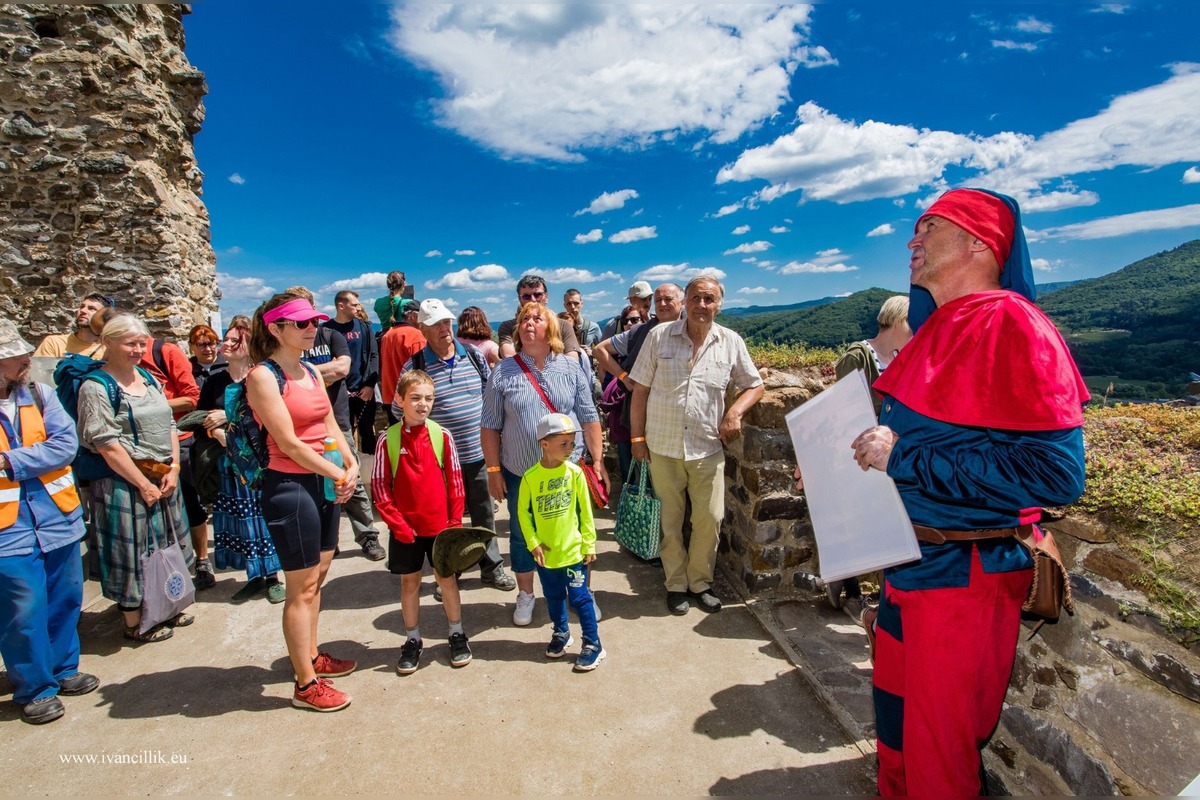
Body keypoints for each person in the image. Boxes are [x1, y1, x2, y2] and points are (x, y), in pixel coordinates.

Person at [795, 188, 1088, 796]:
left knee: (938, 762)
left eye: (930, 227)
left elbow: (1056, 475)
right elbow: (903, 444)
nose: (913, 240)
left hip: (965, 578)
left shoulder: (1014, 325)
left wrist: (906, 455)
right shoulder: (938, 329)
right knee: (899, 742)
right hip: (912, 570)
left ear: (981, 242)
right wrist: (835, 466)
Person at [247, 292, 360, 713]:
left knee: (321, 573)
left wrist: (349, 463)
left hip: (325, 482)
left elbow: (328, 421)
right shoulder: (263, 376)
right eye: (301, 323)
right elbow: (289, 443)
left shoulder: (311, 370)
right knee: (301, 586)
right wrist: (338, 474)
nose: (312, 327)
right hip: (291, 489)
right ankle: (305, 684)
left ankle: (311, 655)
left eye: (313, 321)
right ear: (275, 329)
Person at [629, 276, 763, 616]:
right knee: (670, 521)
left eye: (709, 299)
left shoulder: (730, 341)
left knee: (710, 518)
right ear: (685, 301)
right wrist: (637, 438)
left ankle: (700, 582)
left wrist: (734, 412)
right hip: (663, 445)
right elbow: (640, 390)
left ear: (718, 304)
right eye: (696, 298)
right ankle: (675, 584)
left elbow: (754, 385)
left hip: (707, 447)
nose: (702, 305)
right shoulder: (659, 336)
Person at [481, 302, 607, 626]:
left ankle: (581, 591)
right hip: (521, 473)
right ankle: (526, 594)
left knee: (574, 529)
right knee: (524, 535)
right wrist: (493, 471)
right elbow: (490, 425)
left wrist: (598, 460)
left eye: (537, 318)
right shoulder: (503, 372)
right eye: (524, 318)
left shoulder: (570, 368)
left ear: (550, 329)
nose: (529, 323)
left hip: (568, 469)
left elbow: (589, 415)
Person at [0, 319, 99, 724]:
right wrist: (33, 459)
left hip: (57, 518)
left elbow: (65, 446)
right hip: (9, 530)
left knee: (65, 598)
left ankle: (63, 669)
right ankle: (35, 687)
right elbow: (52, 450)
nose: (27, 357)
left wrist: (9, 462)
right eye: (15, 353)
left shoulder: (40, 394)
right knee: (22, 611)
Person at [76, 314, 195, 643]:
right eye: (130, 343)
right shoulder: (96, 387)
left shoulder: (147, 378)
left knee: (167, 542)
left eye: (141, 343)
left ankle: (168, 603)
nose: (138, 349)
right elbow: (107, 445)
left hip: (161, 476)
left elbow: (169, 423)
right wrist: (142, 484)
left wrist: (173, 468)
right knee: (131, 551)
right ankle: (135, 621)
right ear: (108, 343)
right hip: (123, 483)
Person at [396, 299, 516, 592]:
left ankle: (492, 568)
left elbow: (491, 398)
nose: (444, 329)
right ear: (422, 329)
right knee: (445, 519)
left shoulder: (473, 356)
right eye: (436, 324)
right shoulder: (416, 365)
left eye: (447, 322)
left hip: (477, 454)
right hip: (438, 460)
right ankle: (448, 573)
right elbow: (399, 409)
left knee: (484, 513)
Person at [372, 370, 472, 674]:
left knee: (447, 581)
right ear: (400, 400)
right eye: (415, 397)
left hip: (441, 527)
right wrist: (398, 525)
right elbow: (379, 487)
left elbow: (455, 482)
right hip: (405, 531)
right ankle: (413, 639)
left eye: (429, 398)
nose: (423, 404)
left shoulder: (442, 436)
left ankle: (456, 633)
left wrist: (454, 521)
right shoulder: (386, 440)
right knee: (409, 583)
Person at [823, 294, 913, 610]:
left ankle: (871, 592)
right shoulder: (859, 356)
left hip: (891, 453)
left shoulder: (906, 356)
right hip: (859, 450)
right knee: (856, 520)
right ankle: (848, 584)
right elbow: (844, 406)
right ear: (899, 319)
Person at [285, 286, 385, 562]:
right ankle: (325, 538)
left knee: (348, 478)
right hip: (297, 425)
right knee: (311, 484)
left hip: (335, 421)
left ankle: (368, 536)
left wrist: (296, 371)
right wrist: (319, 371)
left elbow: (342, 368)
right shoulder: (283, 347)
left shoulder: (332, 335)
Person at [196, 316, 284, 604]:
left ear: (249, 345)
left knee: (264, 517)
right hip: (228, 465)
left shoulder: (261, 377)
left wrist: (228, 418)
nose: (227, 344)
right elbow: (201, 418)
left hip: (258, 462)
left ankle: (273, 576)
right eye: (227, 339)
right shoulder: (215, 381)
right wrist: (216, 430)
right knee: (242, 521)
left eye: (236, 340)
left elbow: (270, 418)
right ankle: (253, 576)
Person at [517, 413, 604, 671]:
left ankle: (593, 643)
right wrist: (533, 542)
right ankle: (561, 633)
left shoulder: (575, 473)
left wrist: (589, 543)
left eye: (572, 443)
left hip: (574, 554)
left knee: (580, 598)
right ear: (544, 443)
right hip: (546, 555)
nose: (571, 449)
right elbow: (523, 512)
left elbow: (585, 512)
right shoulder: (530, 477)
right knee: (553, 597)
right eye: (563, 444)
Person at [137, 328, 208, 589]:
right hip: (140, 451)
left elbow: (192, 397)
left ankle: (201, 562)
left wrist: (146, 407)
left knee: (190, 504)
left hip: (178, 441)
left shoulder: (165, 352)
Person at [324, 291, 379, 455]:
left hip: (363, 391)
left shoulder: (364, 327)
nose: (358, 307)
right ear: (341, 306)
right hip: (338, 392)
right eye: (354, 304)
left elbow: (374, 356)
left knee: (367, 431)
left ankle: (371, 471)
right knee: (342, 434)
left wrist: (370, 385)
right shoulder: (326, 330)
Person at [496, 275, 582, 360]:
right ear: (520, 299)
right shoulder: (508, 326)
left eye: (537, 295)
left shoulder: (563, 326)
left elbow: (572, 359)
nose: (533, 299)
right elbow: (507, 354)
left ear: (546, 297)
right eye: (526, 296)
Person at [379, 299, 426, 423]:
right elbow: (421, 371)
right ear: (413, 316)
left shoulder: (387, 335)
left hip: (389, 396)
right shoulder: (416, 336)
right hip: (409, 398)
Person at [33, 292, 114, 359]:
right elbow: (41, 373)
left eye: (91, 308)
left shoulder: (109, 349)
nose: (83, 311)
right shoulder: (54, 342)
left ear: (103, 316)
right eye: (82, 307)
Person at [187, 324, 227, 392]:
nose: (208, 349)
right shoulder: (187, 369)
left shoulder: (228, 365)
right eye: (201, 345)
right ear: (191, 346)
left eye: (211, 344)